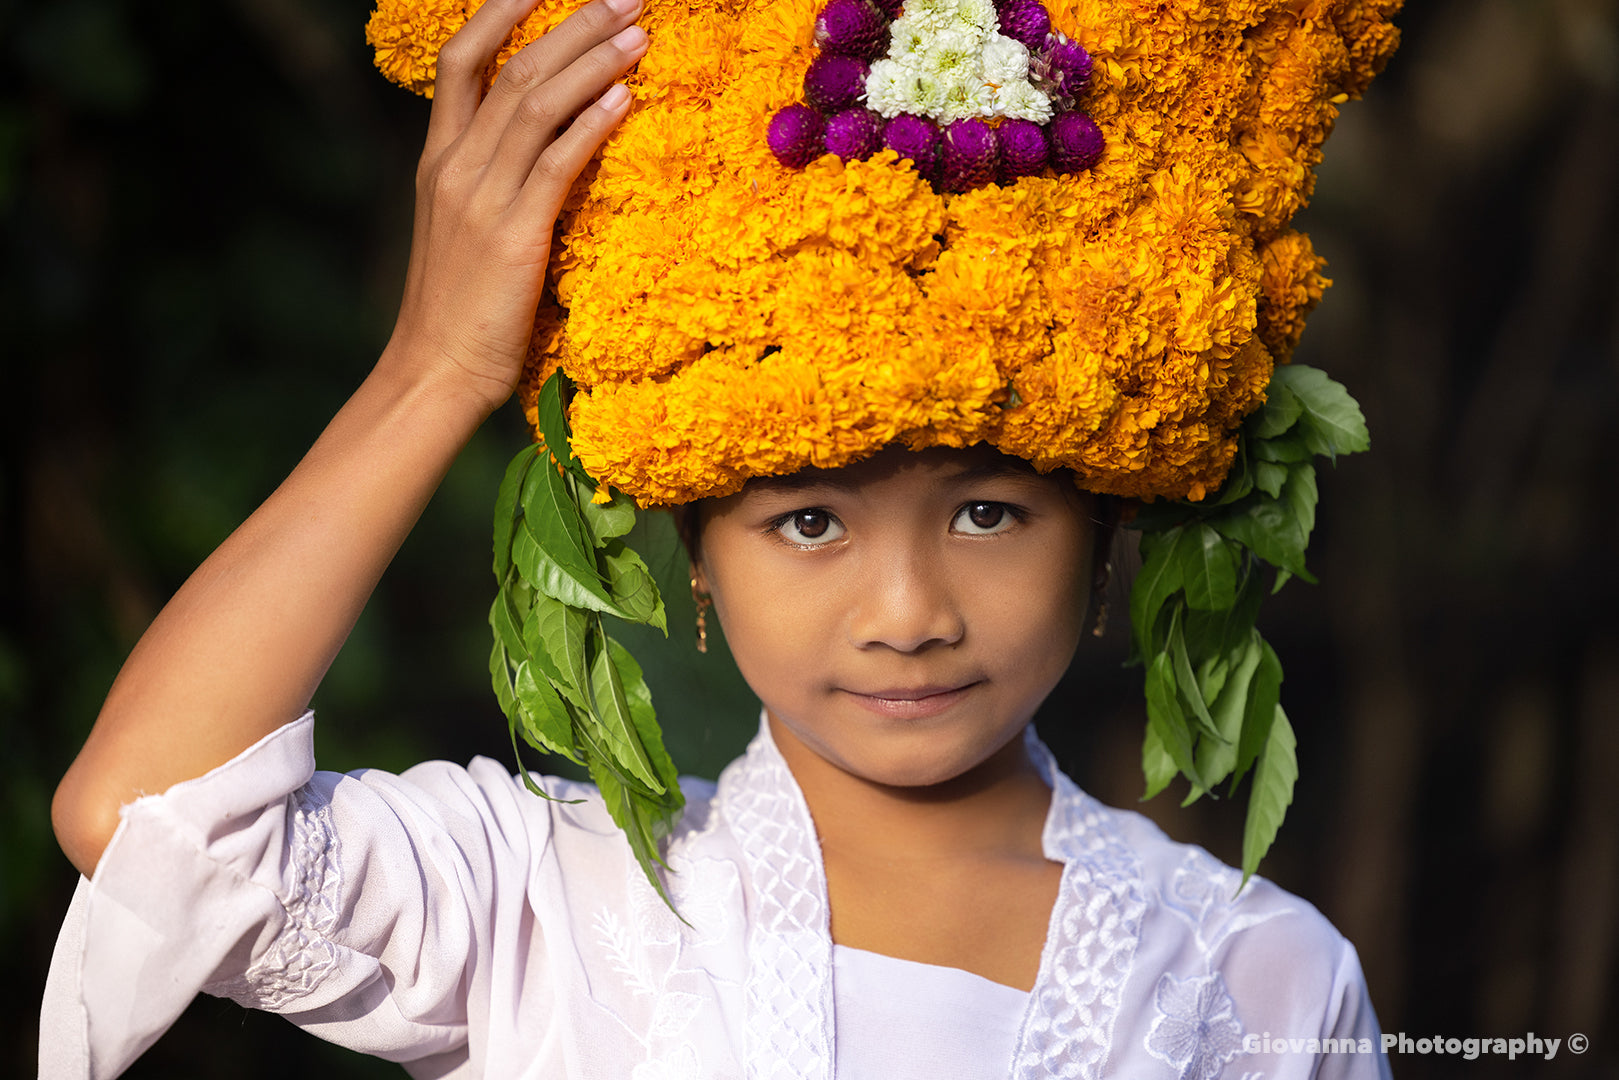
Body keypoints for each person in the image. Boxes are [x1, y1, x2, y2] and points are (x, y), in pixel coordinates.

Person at [41, 0, 1401, 1076]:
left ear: (1110, 527)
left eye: (989, 510)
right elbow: (147, 816)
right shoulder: (544, 909)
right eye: (808, 519)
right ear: (694, 553)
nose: (909, 609)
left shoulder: (1263, 981)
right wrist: (436, 366)